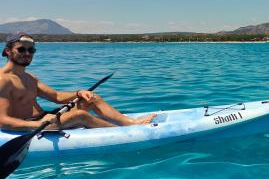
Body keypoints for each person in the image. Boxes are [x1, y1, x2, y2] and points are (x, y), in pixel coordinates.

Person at [0, 32, 155, 131]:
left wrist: (79, 93)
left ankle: (131, 123)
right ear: (8, 51)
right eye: (21, 49)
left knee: (91, 98)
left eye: (31, 50)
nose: (27, 53)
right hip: (30, 125)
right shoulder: (3, 80)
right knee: (79, 115)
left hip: (45, 118)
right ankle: (123, 132)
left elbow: (56, 97)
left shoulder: (29, 77)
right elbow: (3, 121)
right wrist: (38, 125)